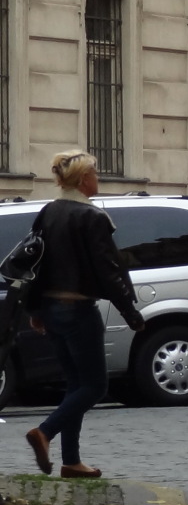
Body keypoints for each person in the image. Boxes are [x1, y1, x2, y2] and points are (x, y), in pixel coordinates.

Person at [23, 150, 145, 478]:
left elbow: (36, 264)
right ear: (83, 179)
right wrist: (130, 311)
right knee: (94, 386)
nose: (98, 179)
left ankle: (71, 462)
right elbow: (108, 271)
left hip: (51, 308)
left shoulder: (49, 212)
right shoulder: (92, 217)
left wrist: (35, 310)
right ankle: (44, 432)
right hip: (78, 310)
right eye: (95, 173)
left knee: (76, 384)